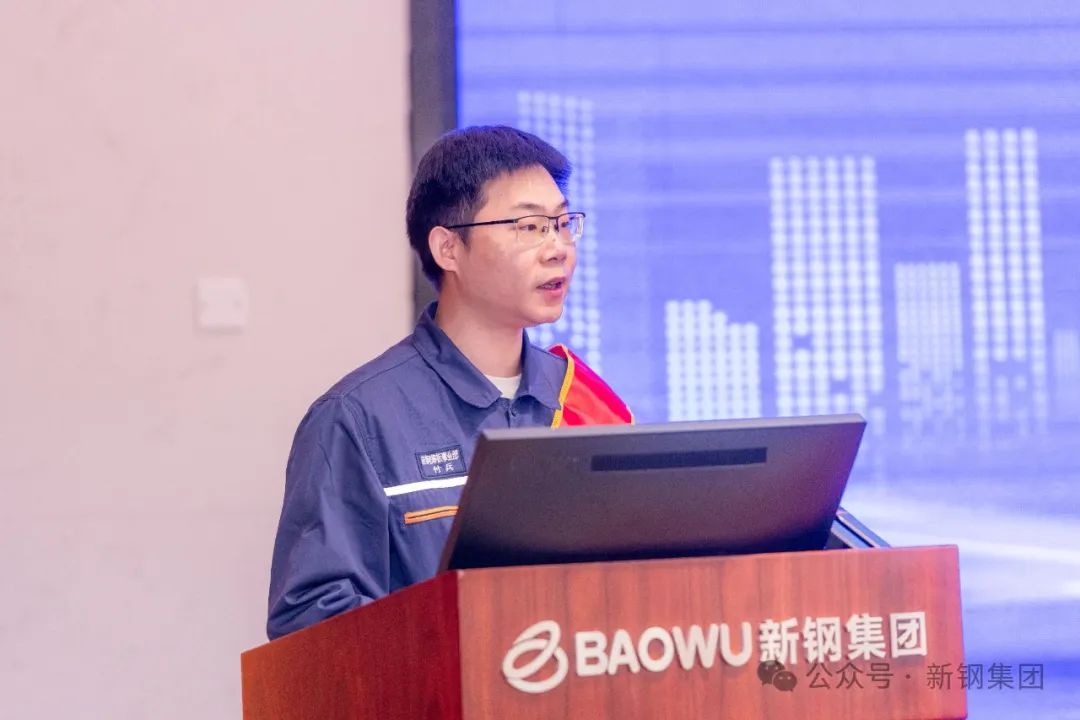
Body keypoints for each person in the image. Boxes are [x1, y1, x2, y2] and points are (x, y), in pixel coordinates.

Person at [266, 126, 630, 640]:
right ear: (448, 247)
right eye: (529, 226)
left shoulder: (584, 401)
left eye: (563, 223)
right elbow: (311, 619)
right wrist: (473, 635)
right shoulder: (358, 418)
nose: (558, 249)